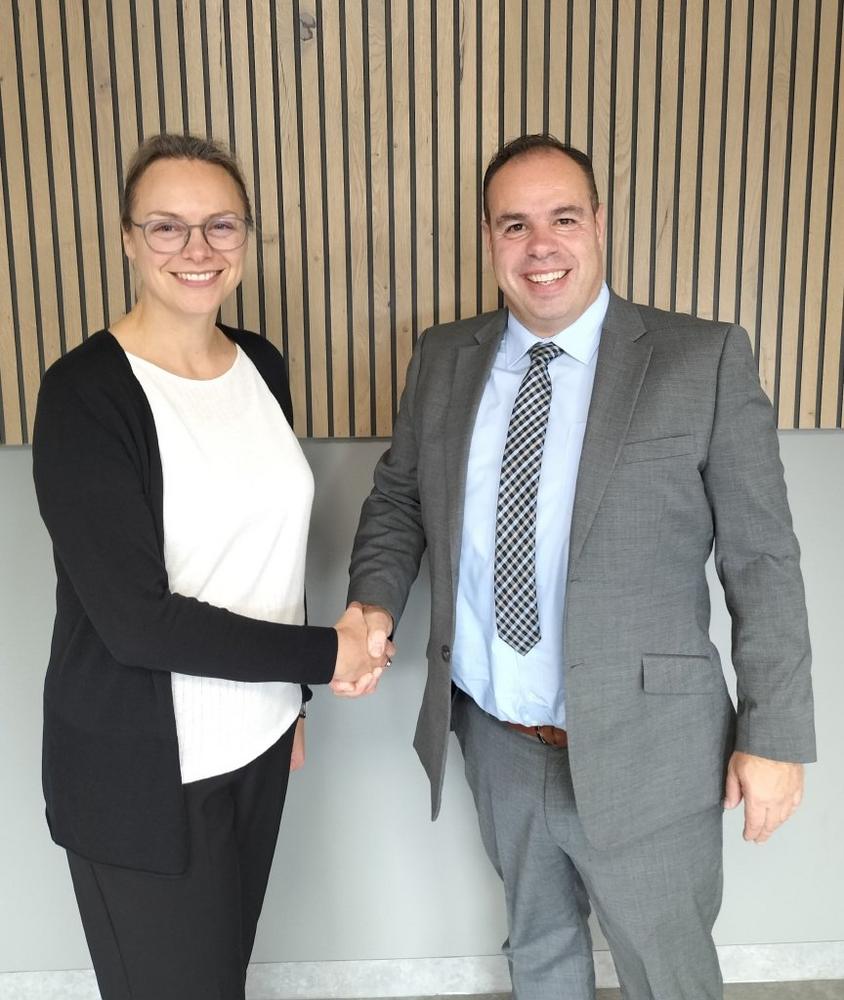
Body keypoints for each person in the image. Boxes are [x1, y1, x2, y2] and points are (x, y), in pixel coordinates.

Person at [346, 134, 815, 999]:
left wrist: (774, 737)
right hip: (498, 738)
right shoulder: (445, 358)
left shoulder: (701, 359)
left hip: (651, 747)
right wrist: (371, 602)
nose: (540, 246)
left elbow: (764, 560)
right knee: (540, 954)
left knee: (668, 975)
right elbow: (400, 498)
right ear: (489, 238)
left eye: (562, 218)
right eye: (514, 225)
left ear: (599, 222)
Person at [32, 133, 389, 1000]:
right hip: (144, 773)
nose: (197, 248)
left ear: (246, 237)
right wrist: (326, 655)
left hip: (257, 742)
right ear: (128, 239)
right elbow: (137, 622)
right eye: (167, 226)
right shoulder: (84, 395)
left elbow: (269, 547)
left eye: (220, 225)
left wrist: (290, 700)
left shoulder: (259, 363)